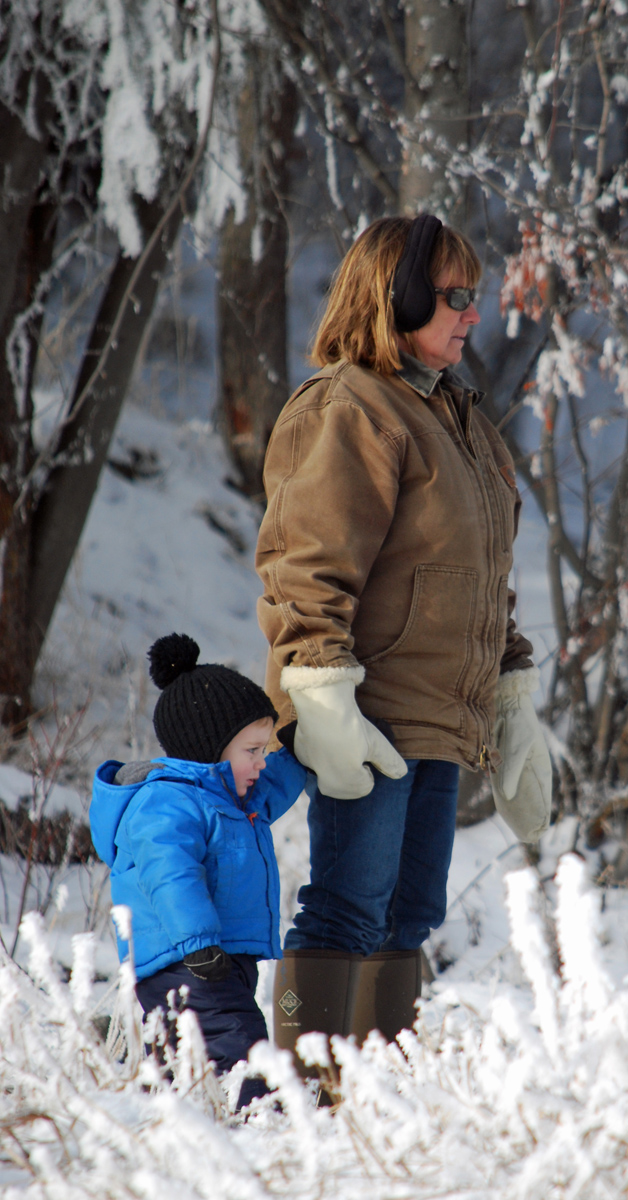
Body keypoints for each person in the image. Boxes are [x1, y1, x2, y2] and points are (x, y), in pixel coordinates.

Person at [255, 213, 552, 1055]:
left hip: (435, 716)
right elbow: (303, 563)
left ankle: (377, 1115)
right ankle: (297, 1101)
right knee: (348, 903)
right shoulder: (351, 407)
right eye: (455, 297)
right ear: (399, 296)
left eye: (476, 297)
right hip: (367, 708)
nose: (472, 314)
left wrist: (510, 695)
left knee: (410, 913)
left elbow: (482, 578)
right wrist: (318, 690)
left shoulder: (459, 419)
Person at [90, 632, 307, 1108]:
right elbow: (169, 875)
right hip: (185, 958)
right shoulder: (167, 801)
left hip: (216, 958)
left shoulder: (231, 798)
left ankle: (172, 1117)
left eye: (264, 749)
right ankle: (260, 1122)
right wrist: (198, 942)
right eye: (252, 750)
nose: (260, 761)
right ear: (210, 749)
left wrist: (301, 750)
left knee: (184, 1052)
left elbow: (272, 785)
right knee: (241, 1045)